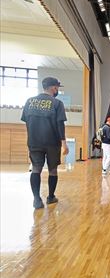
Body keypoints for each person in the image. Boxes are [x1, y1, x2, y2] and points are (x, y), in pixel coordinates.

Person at [21, 77, 69, 209]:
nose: (57, 90)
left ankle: (36, 199)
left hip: (34, 141)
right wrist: (64, 143)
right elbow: (60, 124)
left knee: (36, 168)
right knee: (53, 170)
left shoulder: (29, 101)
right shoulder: (57, 103)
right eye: (57, 87)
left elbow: (26, 121)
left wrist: (31, 139)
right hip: (52, 142)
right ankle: (50, 197)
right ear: (54, 87)